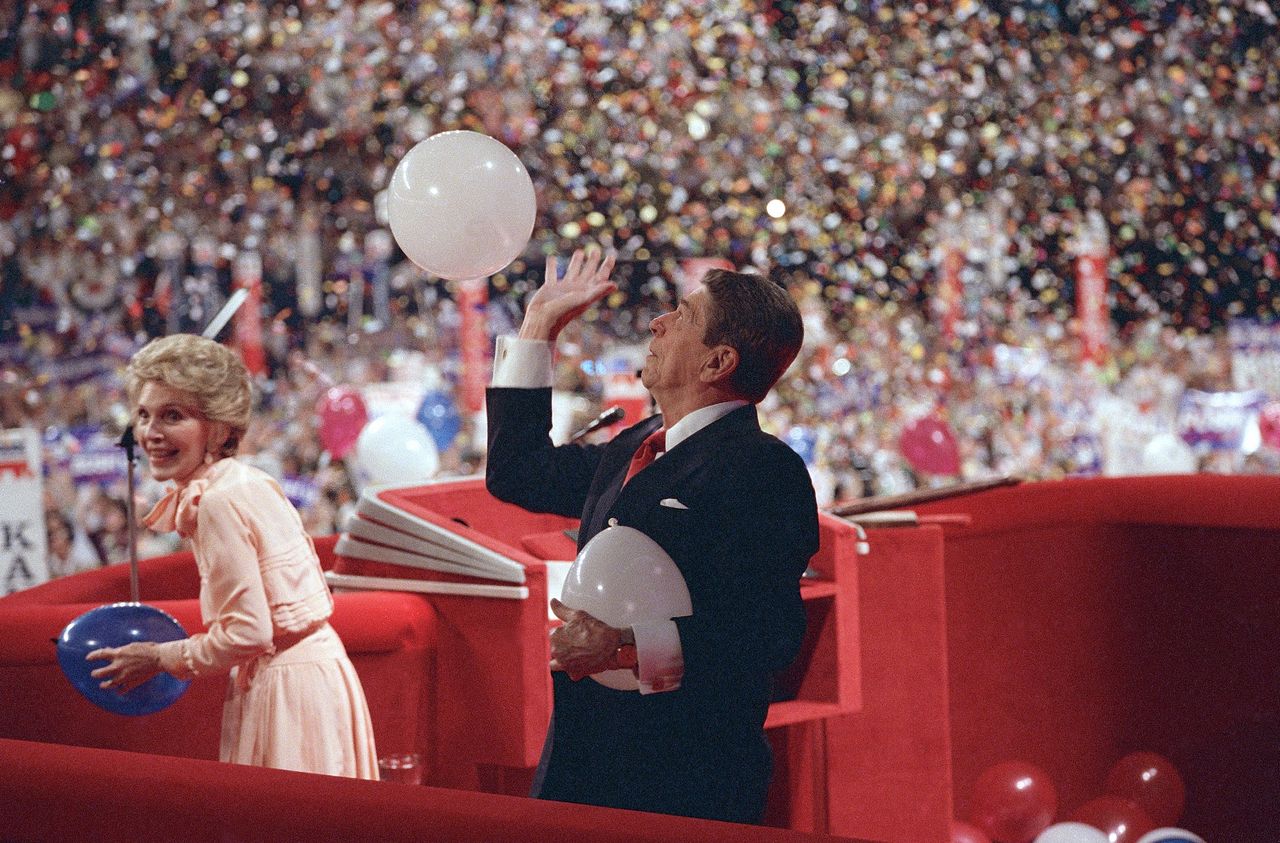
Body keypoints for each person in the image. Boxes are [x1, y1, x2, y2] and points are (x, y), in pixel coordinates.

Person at [485, 248, 820, 823]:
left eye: (683, 316)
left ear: (718, 362)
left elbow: (771, 632)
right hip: (579, 766)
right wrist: (537, 328)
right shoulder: (631, 443)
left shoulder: (765, 469)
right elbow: (517, 471)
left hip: (686, 784)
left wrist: (626, 643)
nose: (658, 322)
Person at [87, 334, 379, 779]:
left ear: (219, 428)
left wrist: (158, 657)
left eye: (173, 416)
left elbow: (247, 633)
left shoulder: (218, 502)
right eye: (144, 415)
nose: (150, 433)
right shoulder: (245, 481)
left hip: (287, 690)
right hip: (315, 676)